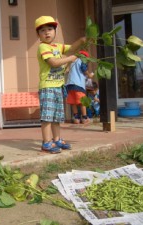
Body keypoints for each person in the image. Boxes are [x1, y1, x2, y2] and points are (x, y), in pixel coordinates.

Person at [35, 16, 87, 153]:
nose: (47, 33)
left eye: (50, 29)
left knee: (56, 117)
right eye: (43, 30)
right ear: (38, 34)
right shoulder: (43, 47)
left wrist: (82, 40)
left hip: (58, 86)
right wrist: (73, 58)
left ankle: (57, 139)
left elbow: (71, 48)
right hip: (48, 87)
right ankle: (46, 142)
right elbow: (54, 63)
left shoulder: (58, 46)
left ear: (55, 31)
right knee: (47, 117)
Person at [65, 50, 94, 124]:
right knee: (82, 102)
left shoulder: (73, 61)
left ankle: (76, 118)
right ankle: (84, 118)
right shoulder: (82, 60)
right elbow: (84, 68)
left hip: (69, 84)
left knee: (73, 102)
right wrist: (89, 75)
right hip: (78, 84)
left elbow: (67, 71)